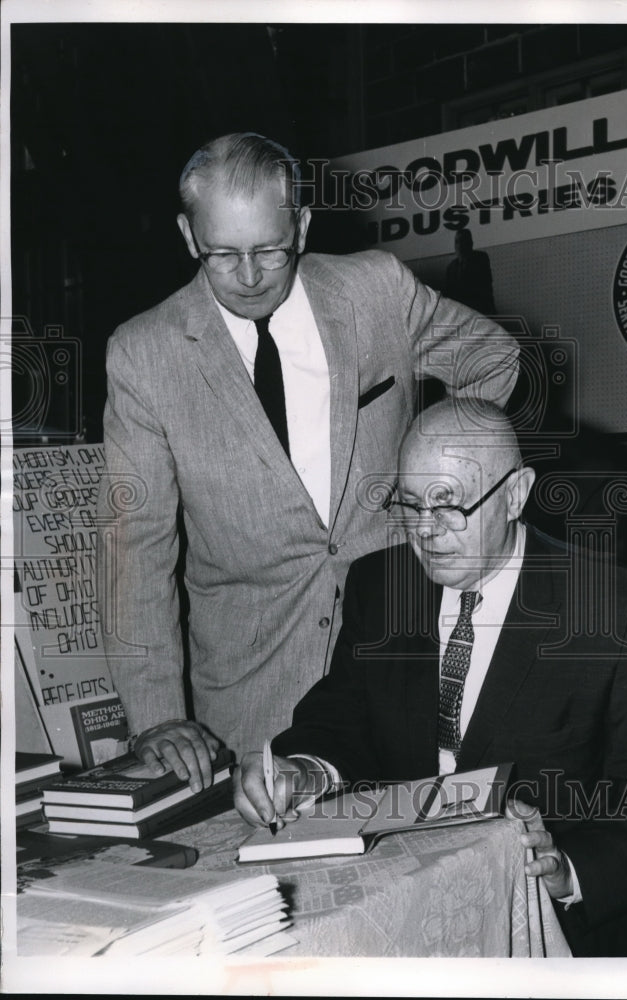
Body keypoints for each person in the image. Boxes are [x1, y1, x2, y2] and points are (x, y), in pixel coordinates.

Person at [97, 132, 520, 791]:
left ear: (300, 224)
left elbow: (491, 360)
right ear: (187, 236)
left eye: (268, 250)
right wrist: (155, 719)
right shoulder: (143, 355)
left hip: (401, 669)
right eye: (221, 255)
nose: (248, 276)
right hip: (250, 699)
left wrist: (428, 478)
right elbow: (136, 551)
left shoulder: (375, 290)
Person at [233, 399, 627, 957]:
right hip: (405, 909)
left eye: (450, 505)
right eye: (410, 505)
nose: (427, 532)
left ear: (515, 495)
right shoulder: (382, 586)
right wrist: (305, 770)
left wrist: (570, 869)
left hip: (558, 928)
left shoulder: (616, 608)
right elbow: (342, 717)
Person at [442, 228, 496, 315]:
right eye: (457, 242)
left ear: (470, 243)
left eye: (463, 241)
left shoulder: (481, 258)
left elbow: (482, 285)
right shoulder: (451, 268)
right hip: (462, 314)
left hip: (481, 311)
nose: (459, 245)